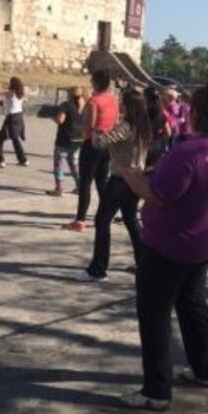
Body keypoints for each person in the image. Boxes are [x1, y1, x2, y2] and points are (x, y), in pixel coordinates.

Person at [116, 76, 208, 411]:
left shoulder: (187, 153)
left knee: (154, 313)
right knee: (192, 303)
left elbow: (156, 194)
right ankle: (205, 370)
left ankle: (156, 390)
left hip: (170, 244)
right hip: (204, 240)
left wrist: (127, 171)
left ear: (194, 113)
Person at [77, 89, 152, 281]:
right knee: (131, 219)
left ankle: (98, 269)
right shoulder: (144, 126)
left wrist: (97, 132)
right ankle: (144, 262)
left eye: (123, 104)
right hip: (136, 178)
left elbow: (100, 143)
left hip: (121, 179)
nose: (121, 106)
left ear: (129, 106)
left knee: (102, 221)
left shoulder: (126, 126)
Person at [64, 70, 118, 232]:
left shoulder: (94, 101)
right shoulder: (114, 99)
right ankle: (108, 214)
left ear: (95, 83)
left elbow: (90, 124)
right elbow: (115, 120)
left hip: (91, 143)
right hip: (107, 142)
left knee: (85, 182)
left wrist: (77, 125)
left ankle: (80, 220)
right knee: (102, 181)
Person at [47, 87, 85, 197]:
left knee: (59, 163)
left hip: (64, 139)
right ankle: (80, 187)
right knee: (74, 163)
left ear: (69, 94)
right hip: (78, 139)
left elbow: (60, 120)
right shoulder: (84, 105)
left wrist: (51, 116)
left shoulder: (66, 105)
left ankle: (59, 188)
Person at [0, 77, 27, 168]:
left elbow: (2, 93)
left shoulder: (12, 93)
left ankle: (0, 161)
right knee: (15, 139)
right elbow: (6, 102)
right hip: (19, 117)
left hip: (11, 118)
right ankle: (23, 160)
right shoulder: (20, 93)